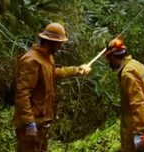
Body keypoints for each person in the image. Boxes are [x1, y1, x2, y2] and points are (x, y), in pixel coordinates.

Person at [13, 22, 91, 152]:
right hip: (32, 124)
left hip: (43, 122)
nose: (61, 46)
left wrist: (77, 70)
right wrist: (28, 123)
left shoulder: (47, 57)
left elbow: (53, 73)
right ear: (49, 42)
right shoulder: (31, 60)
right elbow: (22, 93)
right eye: (59, 43)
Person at [105, 37, 144, 152]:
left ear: (112, 57)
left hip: (139, 133)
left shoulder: (127, 73)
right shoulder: (136, 65)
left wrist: (139, 133)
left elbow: (138, 103)